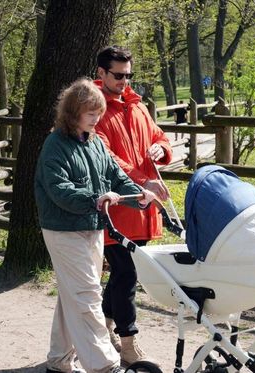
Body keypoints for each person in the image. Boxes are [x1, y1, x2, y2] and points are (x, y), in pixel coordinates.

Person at [35, 78, 157, 373]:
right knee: (87, 294)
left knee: (73, 294)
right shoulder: (55, 146)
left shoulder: (95, 142)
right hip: (64, 229)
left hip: (93, 226)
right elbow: (59, 190)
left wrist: (137, 196)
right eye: (91, 114)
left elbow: (115, 177)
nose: (97, 119)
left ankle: (59, 360)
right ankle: (105, 365)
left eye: (99, 113)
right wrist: (94, 199)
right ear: (73, 112)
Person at [94, 45, 172, 365]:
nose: (125, 81)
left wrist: (159, 150)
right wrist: (143, 181)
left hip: (140, 208)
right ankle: (128, 342)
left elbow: (161, 137)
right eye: (118, 75)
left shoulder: (137, 106)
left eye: (128, 75)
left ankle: (103, 325)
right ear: (101, 73)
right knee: (125, 273)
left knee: (128, 273)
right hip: (114, 209)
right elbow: (107, 160)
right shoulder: (93, 109)